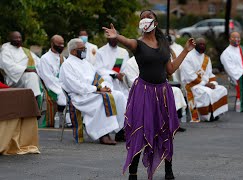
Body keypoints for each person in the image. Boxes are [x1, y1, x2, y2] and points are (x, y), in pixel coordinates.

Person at [103, 9, 195, 180]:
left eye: (149, 17)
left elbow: (170, 69)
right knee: (140, 130)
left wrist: (186, 51)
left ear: (155, 23)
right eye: (142, 18)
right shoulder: (137, 44)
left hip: (162, 92)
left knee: (165, 130)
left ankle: (168, 170)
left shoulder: (163, 45)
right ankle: (133, 173)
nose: (145, 19)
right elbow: (126, 41)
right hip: (143, 91)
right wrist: (116, 35)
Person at [59, 38, 127, 145]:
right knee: (103, 98)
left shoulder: (86, 63)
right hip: (80, 96)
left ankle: (120, 130)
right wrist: (98, 89)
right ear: (73, 51)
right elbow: (76, 86)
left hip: (93, 92)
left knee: (118, 95)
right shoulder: (67, 65)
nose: (85, 51)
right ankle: (103, 134)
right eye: (81, 49)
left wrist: (105, 87)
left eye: (85, 48)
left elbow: (98, 78)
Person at [123, 56, 187, 131]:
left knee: (176, 91)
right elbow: (133, 81)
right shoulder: (130, 63)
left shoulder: (153, 59)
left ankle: (172, 122)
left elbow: (162, 76)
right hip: (140, 90)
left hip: (157, 86)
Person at [180, 38, 228, 122]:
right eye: (200, 44)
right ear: (195, 45)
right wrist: (205, 84)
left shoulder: (206, 58)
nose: (202, 46)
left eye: (204, 44)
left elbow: (210, 74)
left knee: (221, 89)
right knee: (205, 92)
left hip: (205, 84)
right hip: (191, 84)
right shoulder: (188, 57)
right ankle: (206, 115)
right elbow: (190, 76)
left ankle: (214, 112)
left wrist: (213, 83)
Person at [37, 35, 70, 127]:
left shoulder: (63, 58)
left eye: (63, 44)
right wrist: (62, 86)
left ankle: (71, 119)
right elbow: (48, 78)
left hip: (62, 84)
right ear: (52, 44)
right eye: (59, 44)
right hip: (51, 87)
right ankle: (66, 120)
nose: (61, 46)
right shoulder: (45, 58)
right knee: (64, 96)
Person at [0, 31, 41, 98]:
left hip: (26, 76)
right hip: (13, 79)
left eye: (20, 38)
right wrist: (27, 69)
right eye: (16, 38)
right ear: (10, 39)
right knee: (31, 76)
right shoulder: (5, 51)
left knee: (35, 76)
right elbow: (10, 66)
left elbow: (38, 62)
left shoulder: (25, 51)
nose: (18, 39)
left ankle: (34, 97)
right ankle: (32, 99)